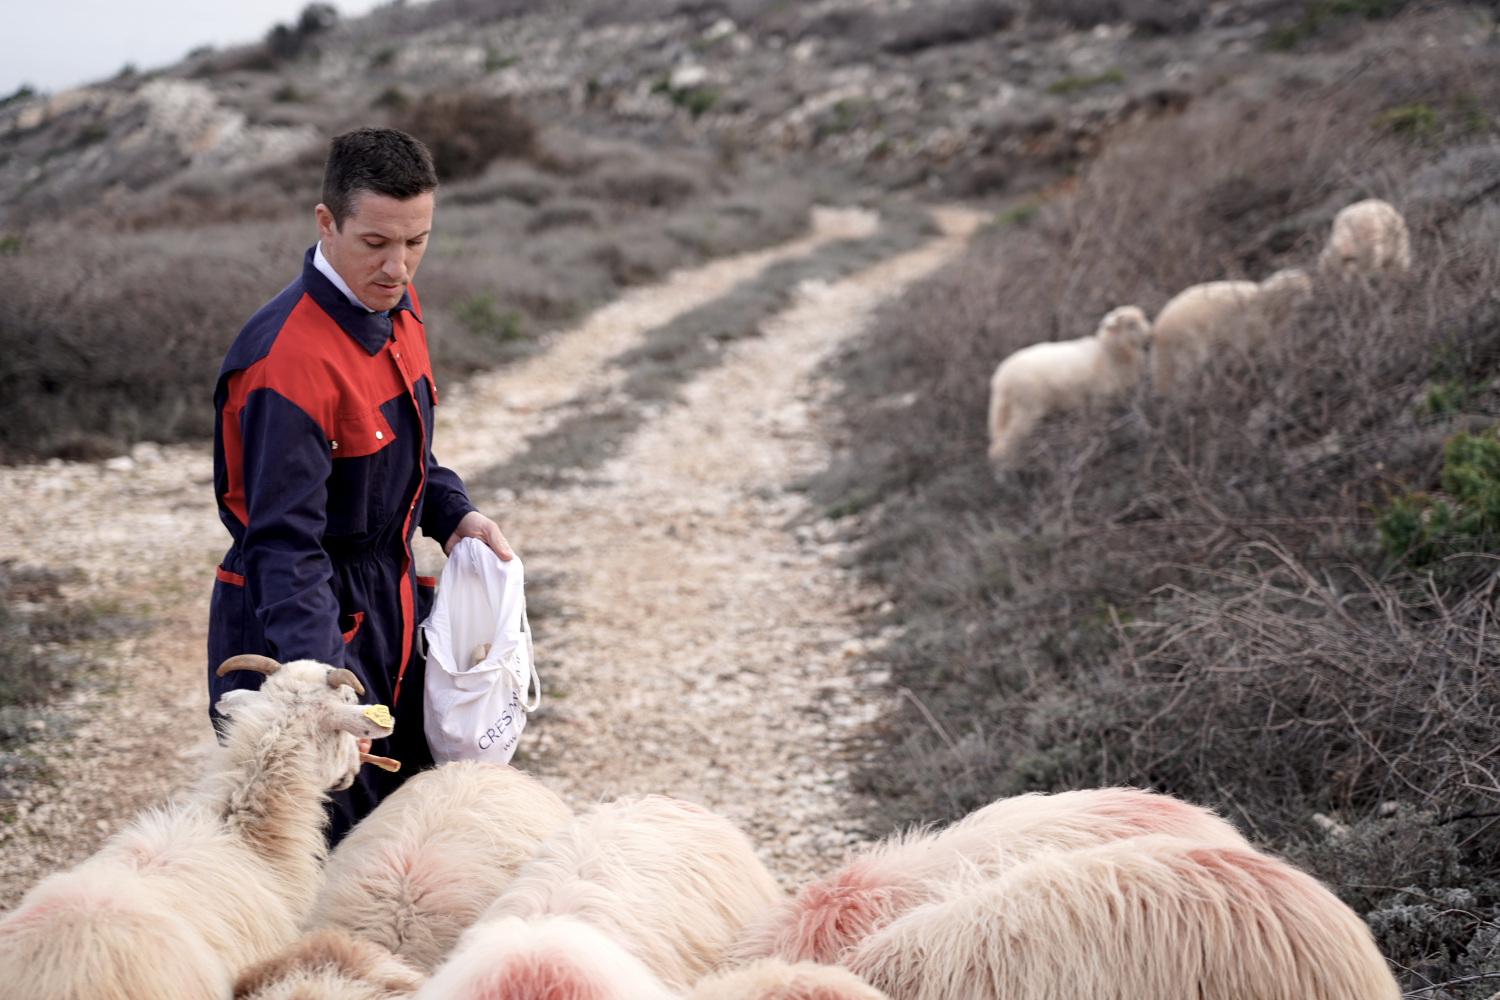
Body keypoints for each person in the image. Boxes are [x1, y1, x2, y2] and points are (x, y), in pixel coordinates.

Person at [207, 127, 512, 841]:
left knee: (407, 833)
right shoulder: (286, 360)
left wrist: (452, 512)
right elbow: (284, 547)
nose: (398, 266)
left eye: (417, 241)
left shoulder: (397, 311)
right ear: (327, 223)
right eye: (376, 242)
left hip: (392, 610)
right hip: (302, 624)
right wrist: (319, 687)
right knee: (318, 855)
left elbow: (413, 459)